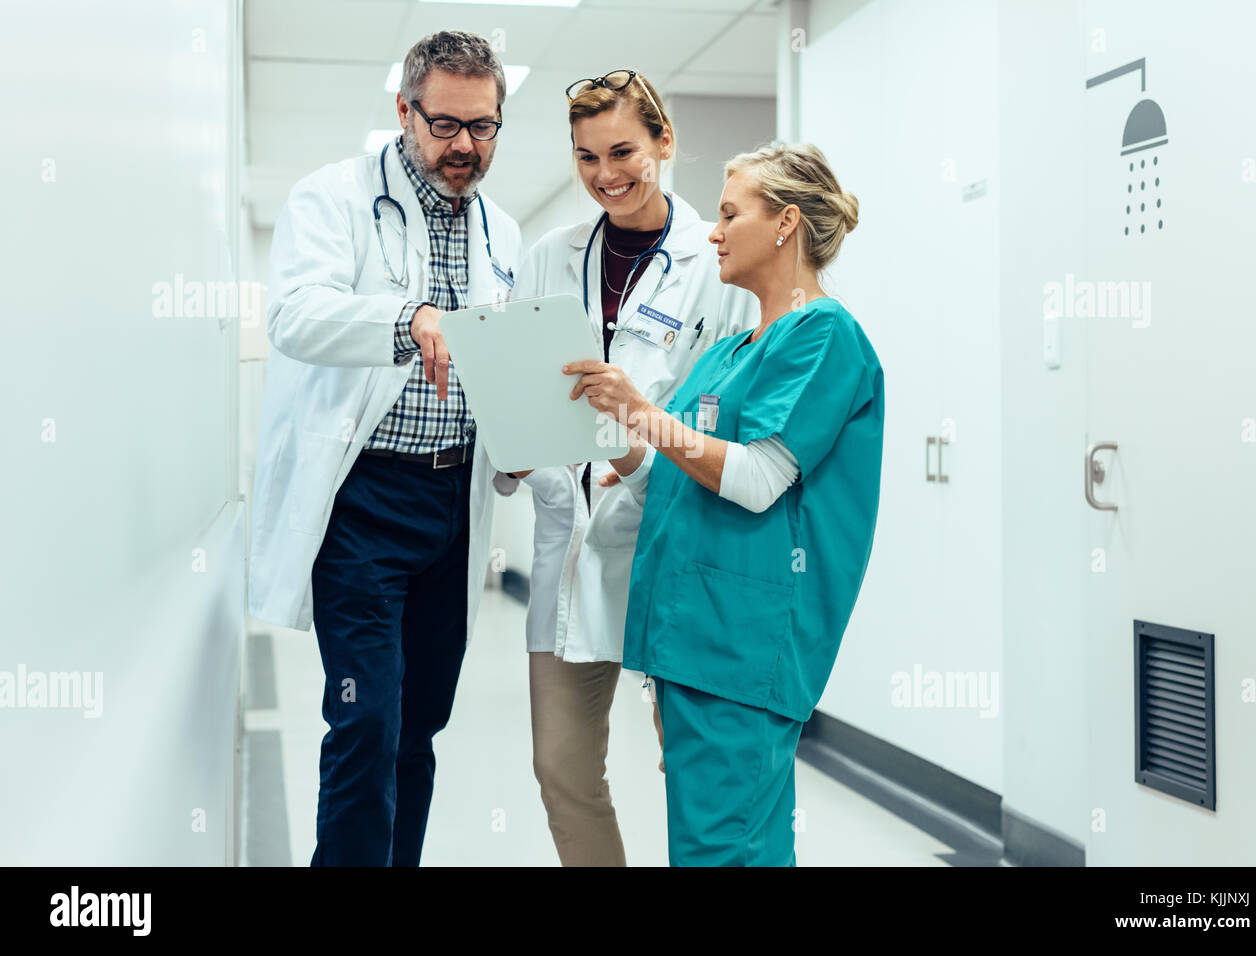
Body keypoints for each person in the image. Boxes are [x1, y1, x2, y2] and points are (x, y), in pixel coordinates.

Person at [564, 142, 884, 866]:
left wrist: (642, 413)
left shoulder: (824, 335)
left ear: (786, 224)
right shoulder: (730, 351)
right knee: (731, 845)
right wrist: (614, 440)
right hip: (691, 641)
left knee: (722, 849)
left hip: (742, 645)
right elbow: (677, 477)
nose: (712, 231)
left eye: (730, 213)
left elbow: (758, 477)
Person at [247, 31, 521, 866]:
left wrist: (514, 436)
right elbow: (294, 314)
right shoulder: (331, 199)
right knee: (366, 716)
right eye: (444, 125)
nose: (464, 147)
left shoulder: (500, 232)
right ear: (404, 110)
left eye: (483, 127)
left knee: (420, 722)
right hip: (363, 506)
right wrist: (407, 321)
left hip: (451, 506)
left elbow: (497, 358)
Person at [493, 69, 759, 866]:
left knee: (694, 767)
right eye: (585, 157)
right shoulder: (550, 258)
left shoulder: (716, 265)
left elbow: (732, 417)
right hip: (573, 538)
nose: (605, 175)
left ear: (663, 142)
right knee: (563, 769)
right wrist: (523, 454)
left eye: (622, 151)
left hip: (677, 538)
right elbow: (518, 386)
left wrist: (642, 441)